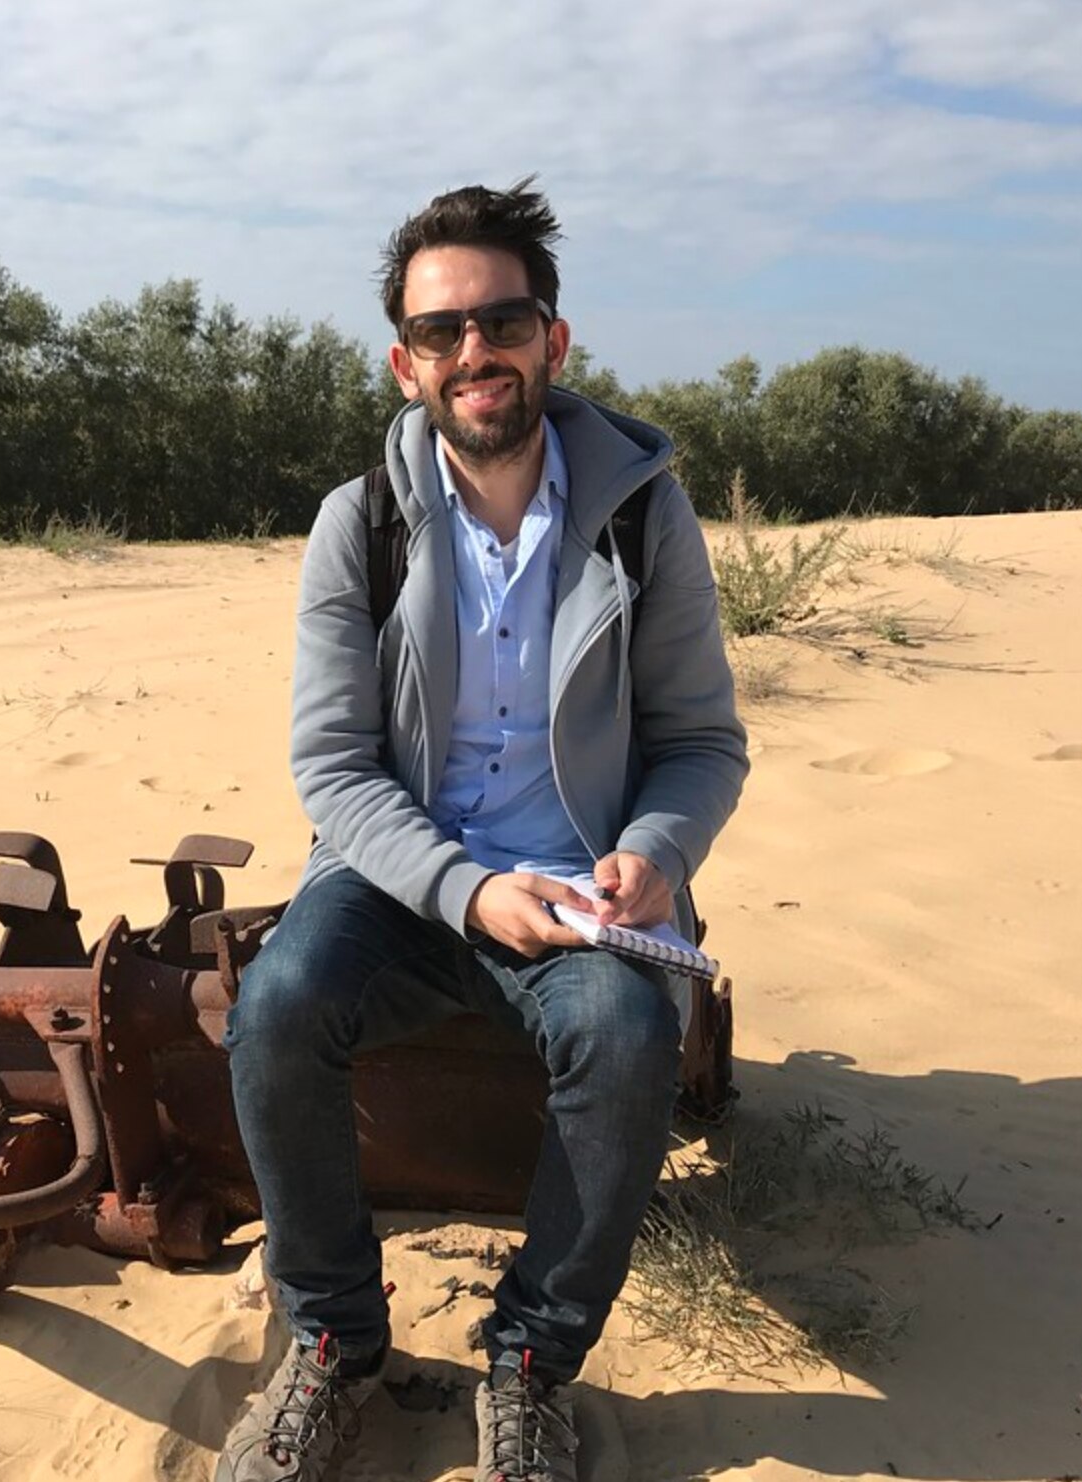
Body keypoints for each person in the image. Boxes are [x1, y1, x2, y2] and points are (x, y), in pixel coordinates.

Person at [216, 179, 749, 1482]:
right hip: (398, 876)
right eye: (440, 331)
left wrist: (657, 851)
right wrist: (460, 887)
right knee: (277, 1003)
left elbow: (701, 742)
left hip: (581, 897)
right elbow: (333, 769)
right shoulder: (366, 524)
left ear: (551, 339)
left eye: (499, 319)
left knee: (629, 1035)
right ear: (407, 361)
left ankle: (529, 1365)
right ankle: (336, 1338)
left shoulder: (641, 512)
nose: (474, 352)